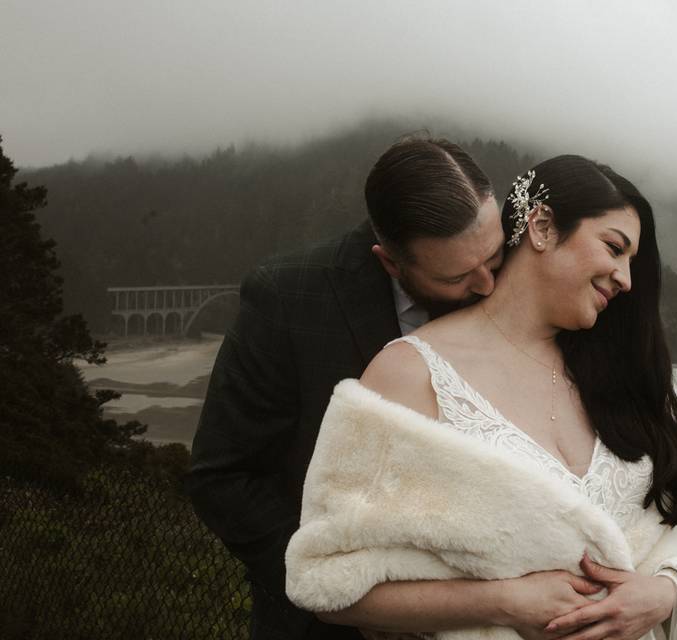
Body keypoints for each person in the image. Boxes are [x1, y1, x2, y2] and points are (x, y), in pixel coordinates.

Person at [285, 155, 677, 639]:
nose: (626, 278)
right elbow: (324, 580)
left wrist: (666, 590)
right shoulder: (409, 374)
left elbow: (676, 528)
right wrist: (503, 602)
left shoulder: (626, 377)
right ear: (541, 225)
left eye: (631, 262)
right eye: (614, 248)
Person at [187, 137, 507, 640]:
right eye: (460, 275)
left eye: (493, 255)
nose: (489, 285)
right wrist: (338, 590)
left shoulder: (510, 279)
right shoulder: (287, 298)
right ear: (390, 262)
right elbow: (222, 477)